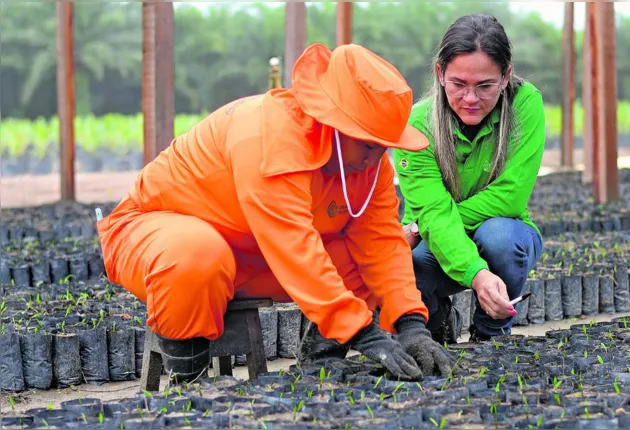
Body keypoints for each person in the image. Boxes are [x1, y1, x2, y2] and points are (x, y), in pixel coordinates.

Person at [96, 43, 453, 384]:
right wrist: (365, 334)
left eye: (384, 147)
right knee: (196, 255)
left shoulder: (367, 165)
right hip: (153, 234)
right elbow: (294, 247)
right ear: (333, 123)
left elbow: (381, 242)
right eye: (369, 144)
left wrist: (410, 323)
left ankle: (323, 359)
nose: (376, 159)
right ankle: (189, 380)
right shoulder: (270, 137)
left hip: (251, 255)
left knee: (363, 256)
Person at [393, 14, 545, 345]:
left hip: (487, 231)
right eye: (459, 84)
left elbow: (510, 197)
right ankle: (435, 324)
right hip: (433, 242)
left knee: (501, 239)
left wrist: (426, 226)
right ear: (440, 74)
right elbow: (431, 209)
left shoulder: (525, 103)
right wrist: (475, 273)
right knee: (406, 265)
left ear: (505, 76)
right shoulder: (417, 125)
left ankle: (490, 333)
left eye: (485, 85)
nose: (471, 99)